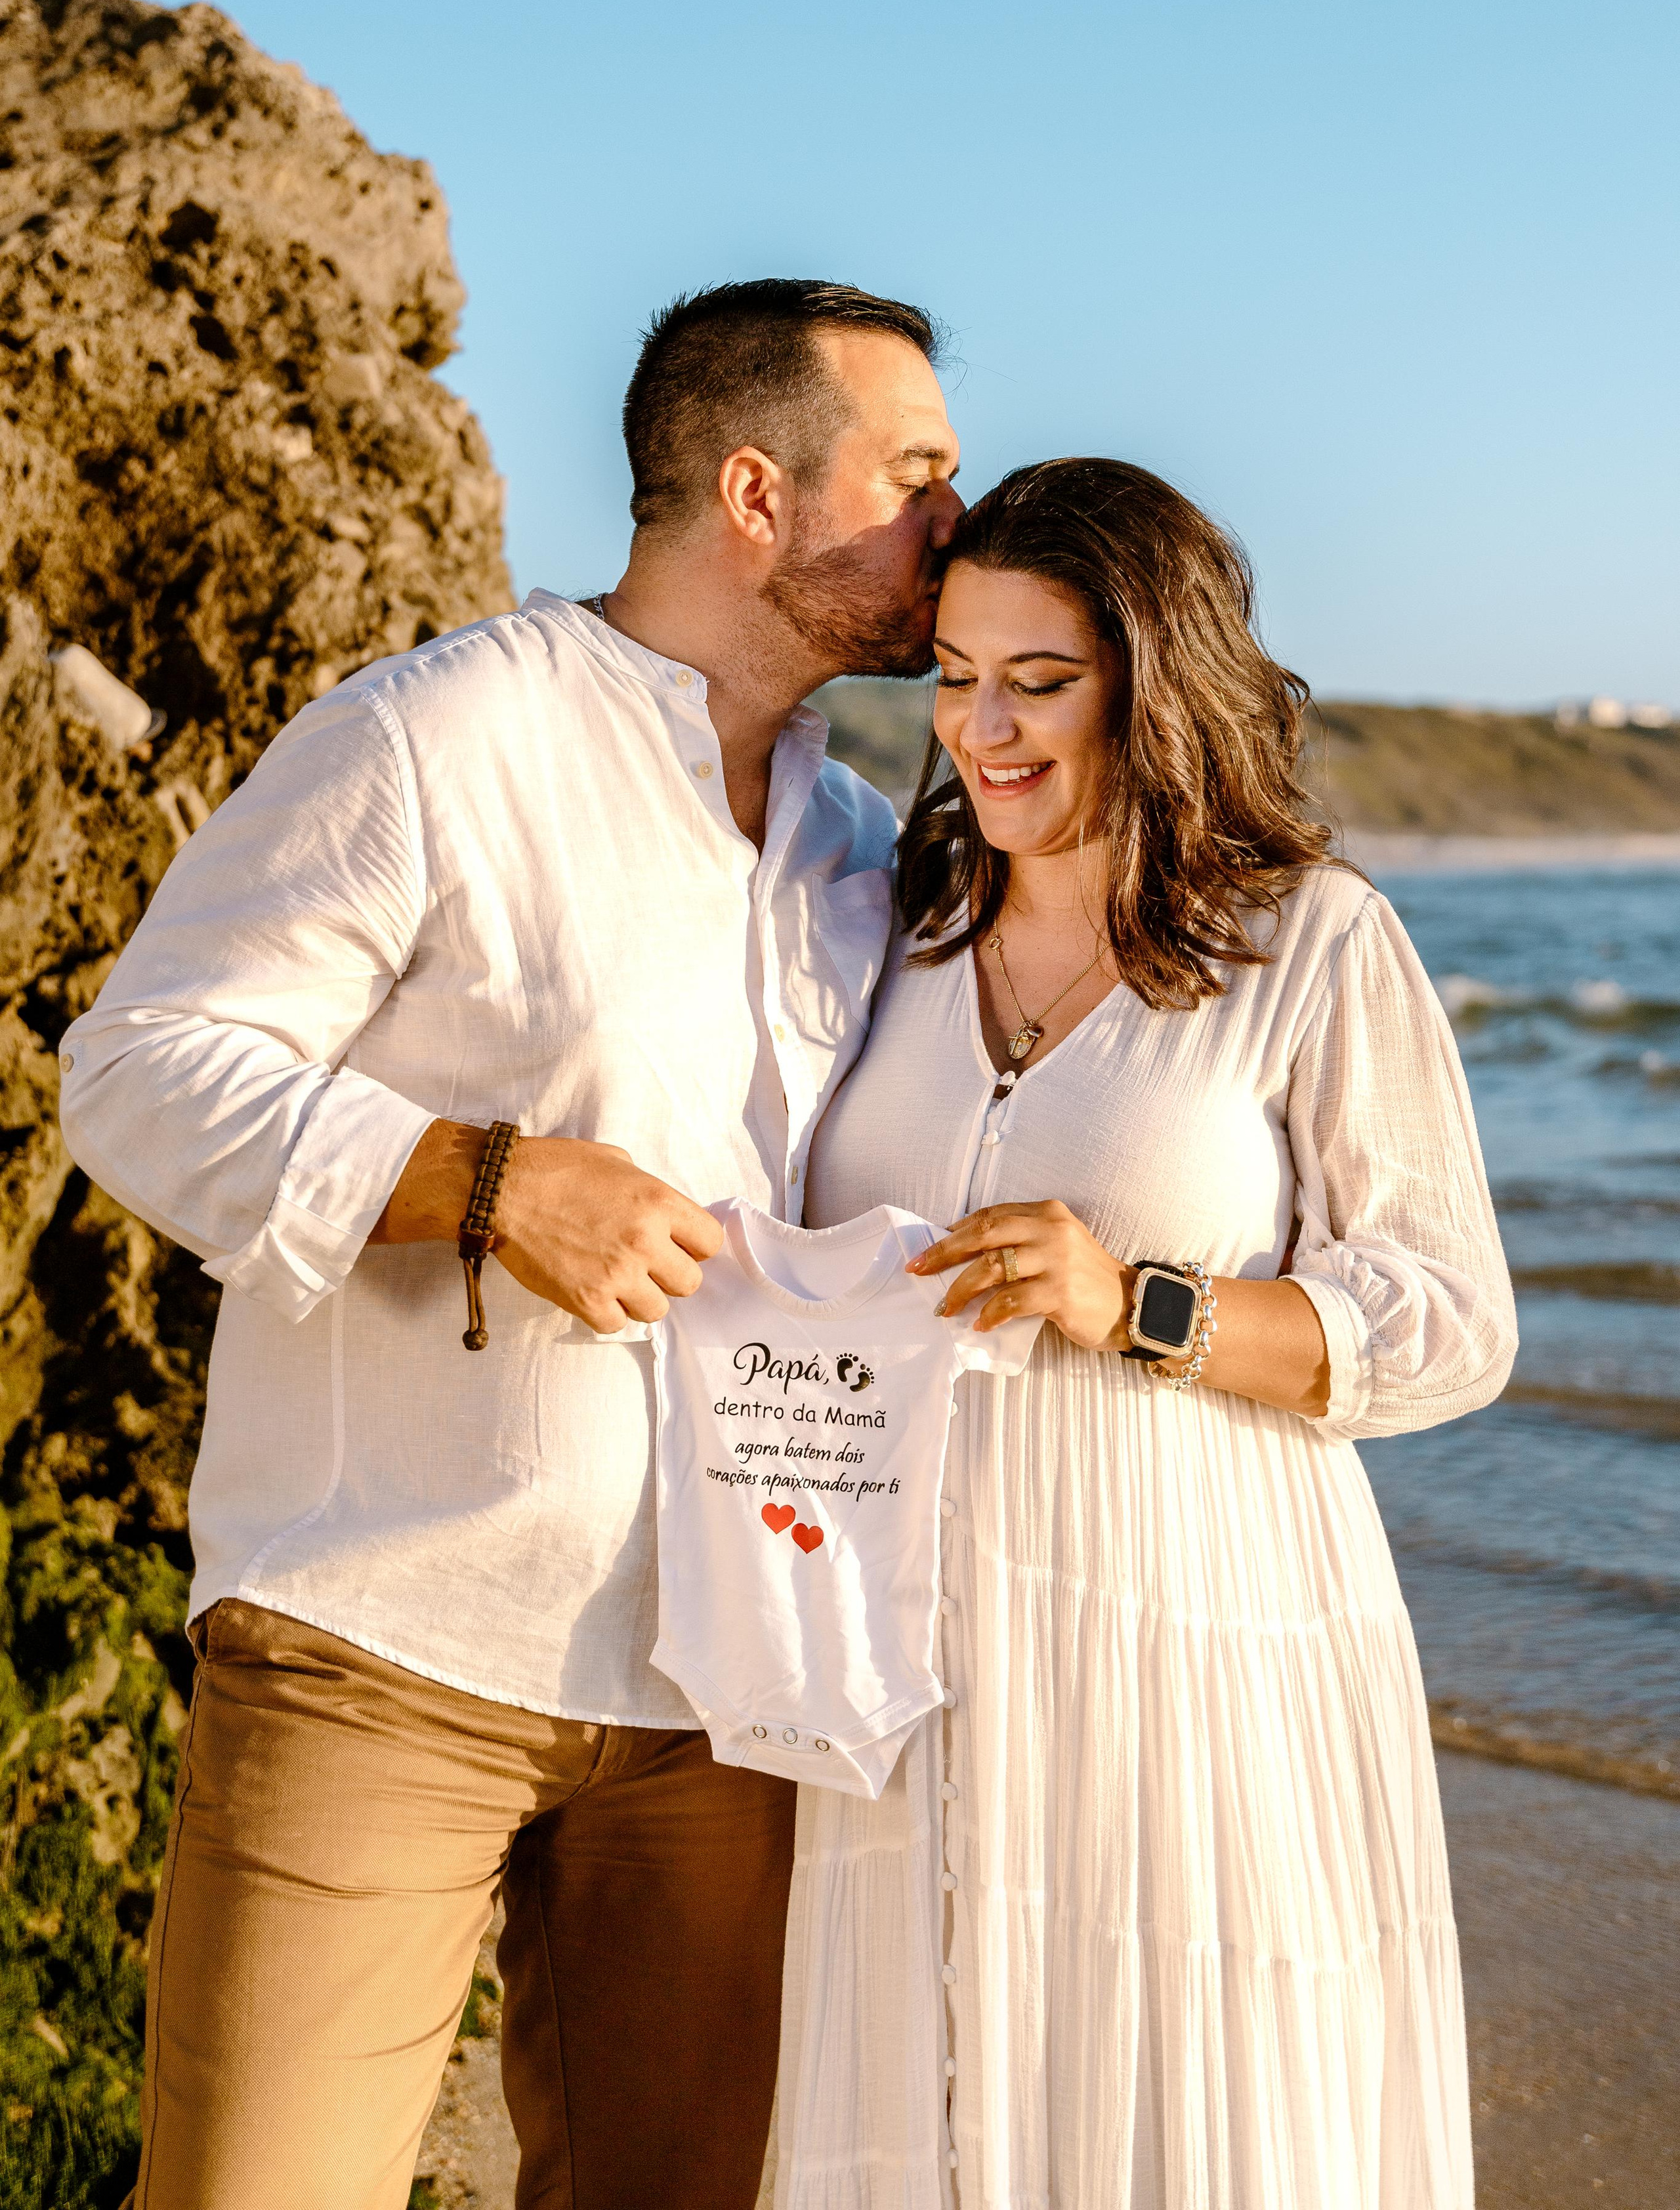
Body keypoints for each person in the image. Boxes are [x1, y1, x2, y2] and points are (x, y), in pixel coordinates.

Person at [58, 278, 963, 2210]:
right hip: (384, 1640)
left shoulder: (863, 853)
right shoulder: (433, 737)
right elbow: (136, 1073)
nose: (949, 532)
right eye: (914, 479)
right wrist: (482, 1179)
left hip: (731, 1693)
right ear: (754, 492)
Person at [770, 458, 1517, 2209]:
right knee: (935, 2101)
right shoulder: (894, 928)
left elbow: (1450, 1323)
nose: (986, 730)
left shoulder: (1310, 943)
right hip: (912, 1643)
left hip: (1194, 1624)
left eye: (1042, 682)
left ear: (1154, 682)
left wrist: (1140, 1304)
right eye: (956, 677)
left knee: (1182, 2113)